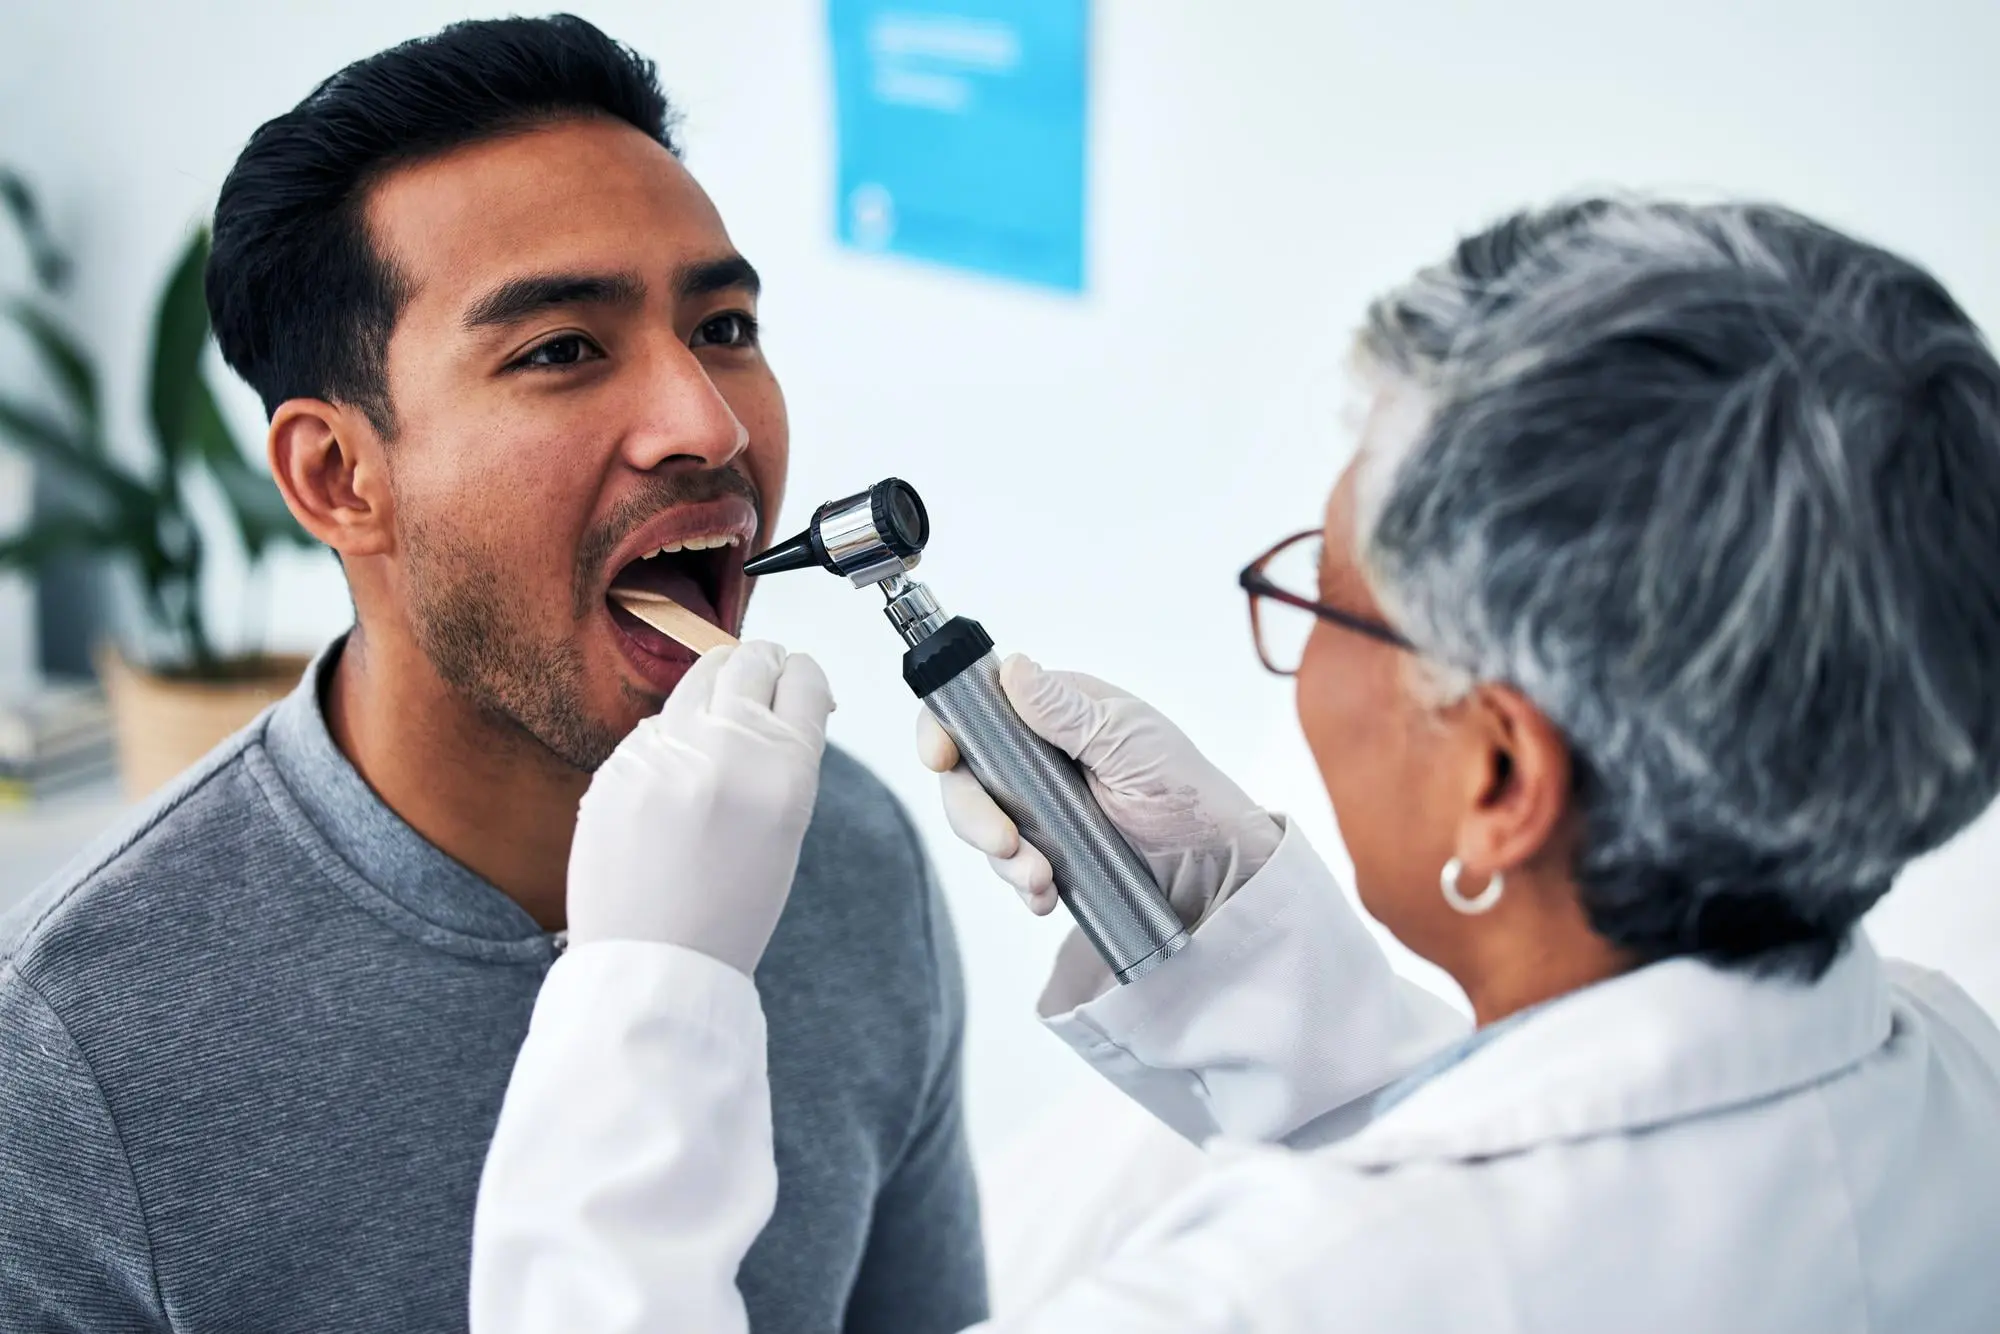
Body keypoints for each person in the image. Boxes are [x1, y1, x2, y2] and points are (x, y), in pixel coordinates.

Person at [469, 197, 2000, 1331]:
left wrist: (649, 990)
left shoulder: (1271, 1295)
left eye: (1319, 593)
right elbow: (1576, 1169)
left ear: (1500, 780)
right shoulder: (1947, 1077)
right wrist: (1233, 947)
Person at [0, 17, 985, 1333]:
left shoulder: (853, 856)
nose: (710, 421)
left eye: (725, 322)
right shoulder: (66, 1049)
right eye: (563, 348)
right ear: (339, 477)